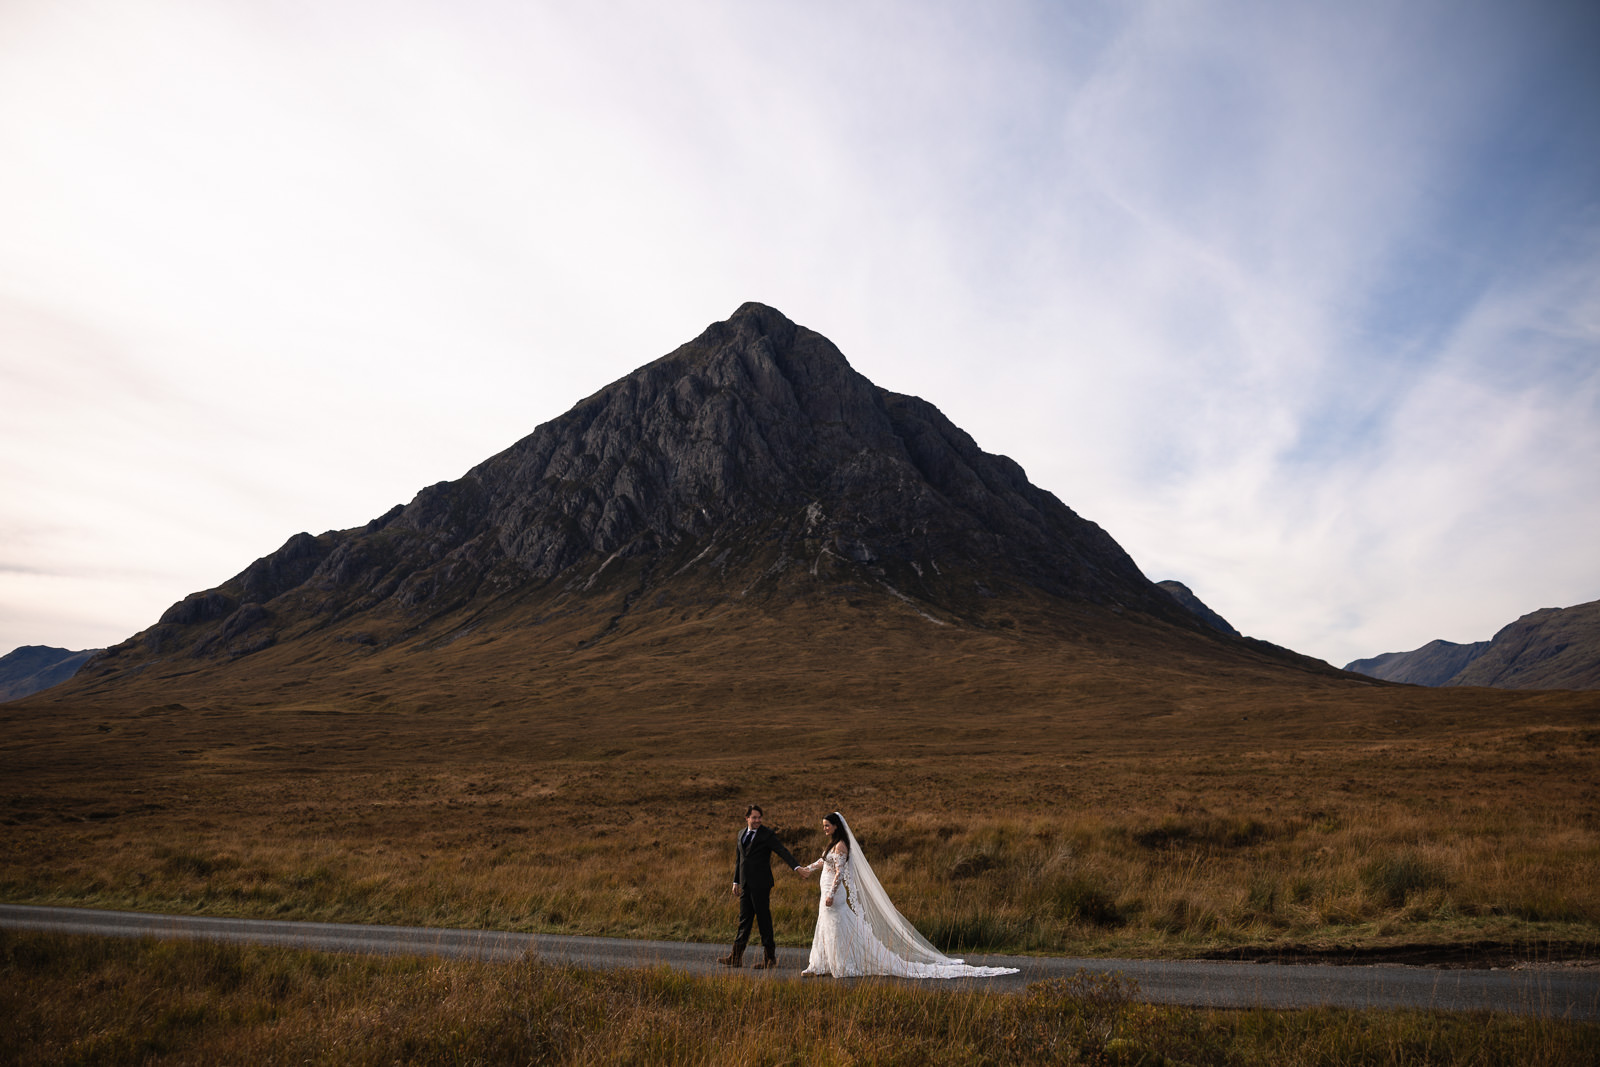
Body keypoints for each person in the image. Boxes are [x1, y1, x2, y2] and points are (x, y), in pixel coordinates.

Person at [798, 811, 1019, 978]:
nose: (824, 829)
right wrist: (808, 868)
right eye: (824, 826)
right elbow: (822, 861)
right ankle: (820, 963)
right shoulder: (831, 846)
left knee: (836, 926)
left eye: (827, 826)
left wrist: (830, 894)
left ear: (836, 826)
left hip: (832, 893)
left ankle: (840, 964)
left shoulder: (841, 847)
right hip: (825, 890)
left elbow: (839, 873)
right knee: (826, 925)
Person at [718, 804, 803, 969]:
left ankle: (770, 959)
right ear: (747, 818)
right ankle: (736, 957)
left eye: (759, 817)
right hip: (745, 884)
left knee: (764, 921)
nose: (757, 820)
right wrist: (736, 881)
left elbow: (782, 851)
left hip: (761, 884)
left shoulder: (767, 834)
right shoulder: (741, 834)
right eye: (754, 817)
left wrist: (796, 867)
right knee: (744, 921)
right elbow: (739, 860)